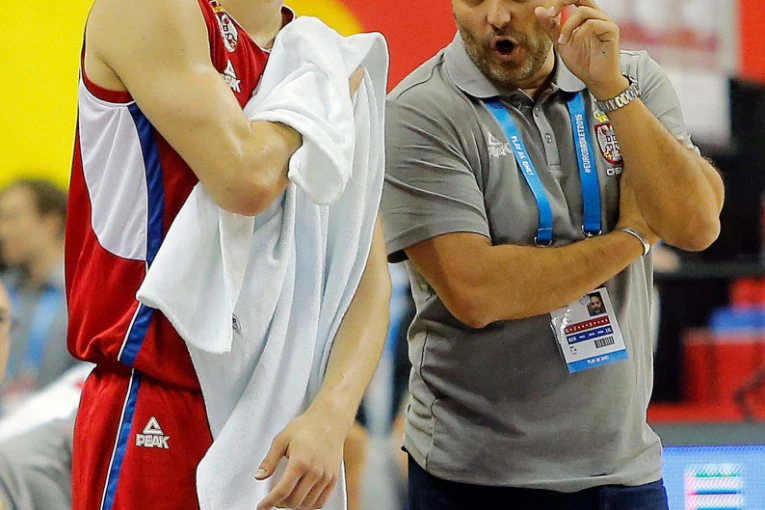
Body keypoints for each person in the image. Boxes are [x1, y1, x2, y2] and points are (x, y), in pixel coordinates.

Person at [381, 0, 724, 509]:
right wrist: (632, 236)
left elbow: (695, 226)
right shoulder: (420, 109)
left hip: (625, 472)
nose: (496, 16)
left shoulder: (629, 78)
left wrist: (611, 90)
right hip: (479, 480)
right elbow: (477, 291)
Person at [66, 0, 389, 509]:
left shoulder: (326, 54)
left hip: (288, 417)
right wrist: (318, 100)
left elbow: (365, 279)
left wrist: (332, 414)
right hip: (159, 390)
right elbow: (246, 179)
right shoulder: (149, 10)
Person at [0, 179, 72, 410]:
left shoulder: (83, 295)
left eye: (13, 217)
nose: (3, 231)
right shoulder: (5, 291)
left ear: (51, 221)